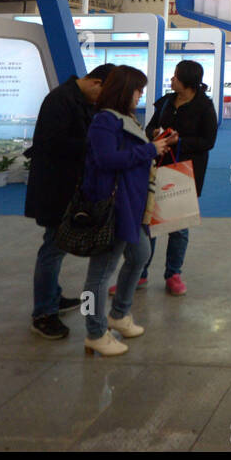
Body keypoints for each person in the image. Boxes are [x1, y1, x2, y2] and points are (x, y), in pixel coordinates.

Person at [79, 65, 173, 357]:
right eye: (137, 90)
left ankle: (118, 314)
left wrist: (157, 144)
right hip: (112, 207)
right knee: (98, 275)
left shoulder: (125, 119)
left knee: (140, 255)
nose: (139, 96)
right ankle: (94, 332)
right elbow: (107, 159)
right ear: (124, 90)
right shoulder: (104, 122)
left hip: (132, 206)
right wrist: (149, 150)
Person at [24, 62, 115, 340]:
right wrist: (95, 145)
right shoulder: (60, 101)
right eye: (103, 95)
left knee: (57, 247)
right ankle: (43, 313)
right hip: (55, 189)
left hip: (68, 188)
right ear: (96, 83)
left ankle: (53, 297)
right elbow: (51, 144)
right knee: (52, 247)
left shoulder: (78, 100)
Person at [127, 60, 217, 296]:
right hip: (157, 168)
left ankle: (173, 274)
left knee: (178, 226)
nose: (172, 79)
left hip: (186, 171)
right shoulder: (166, 101)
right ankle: (140, 273)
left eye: (176, 76)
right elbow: (149, 129)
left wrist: (181, 142)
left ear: (187, 80)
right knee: (149, 223)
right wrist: (155, 133)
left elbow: (208, 142)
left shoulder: (204, 107)